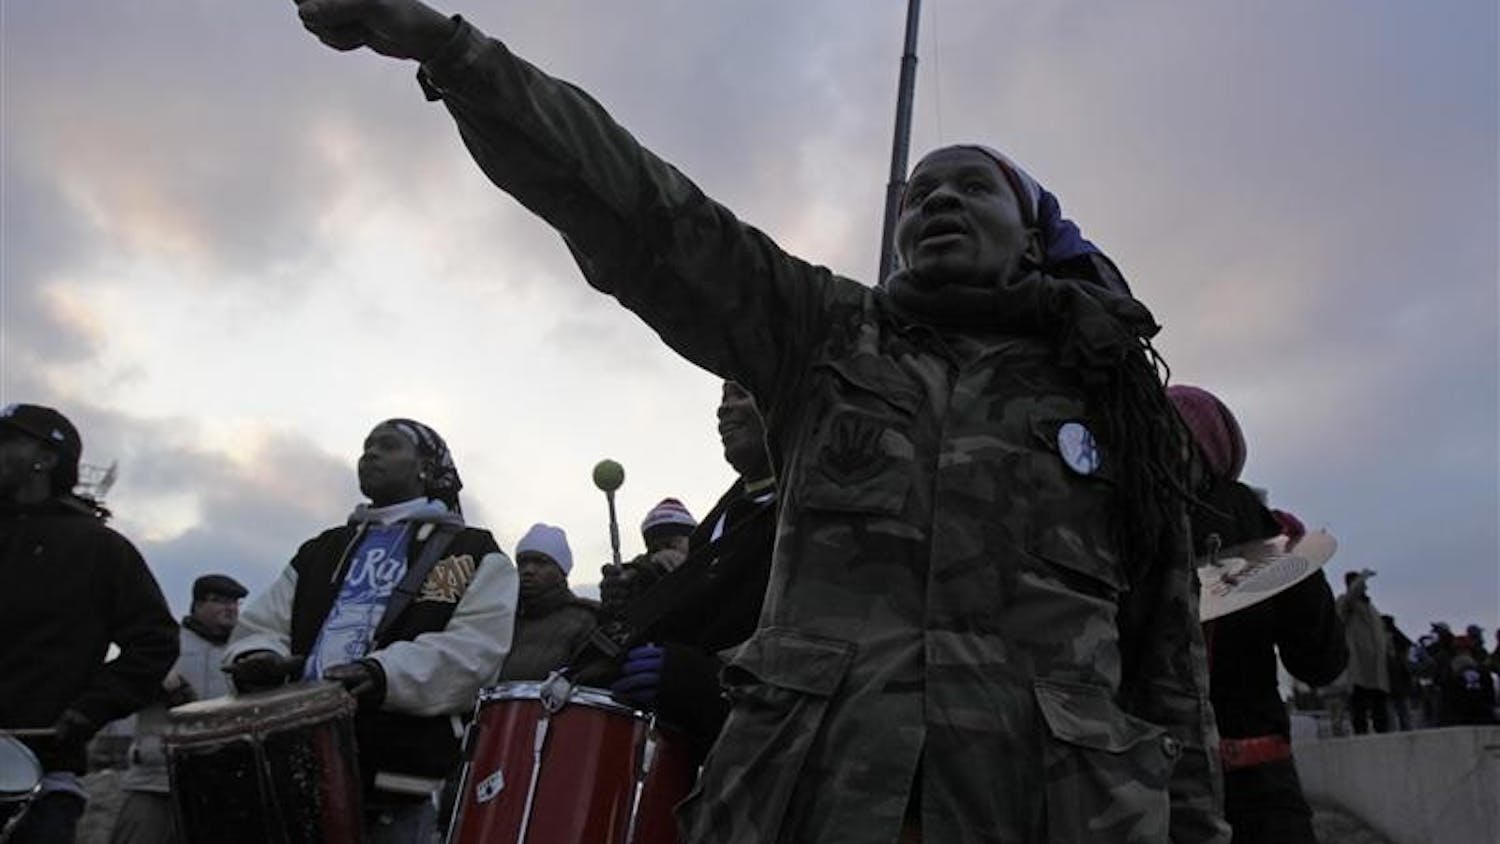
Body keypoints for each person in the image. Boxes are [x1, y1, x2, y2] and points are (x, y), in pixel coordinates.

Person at [291, 6, 1227, 841]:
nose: (939, 200)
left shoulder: (1114, 406)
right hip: (812, 802)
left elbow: (1166, 662)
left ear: (1032, 237)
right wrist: (450, 50)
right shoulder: (825, 338)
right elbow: (645, 211)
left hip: (1052, 811)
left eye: (974, 188)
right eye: (920, 194)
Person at [223, 418, 516, 843]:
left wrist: (381, 674)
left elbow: (475, 651)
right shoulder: (321, 550)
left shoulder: (472, 552)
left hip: (397, 782)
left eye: (388, 445)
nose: (370, 454)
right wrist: (255, 658)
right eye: (366, 446)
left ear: (427, 468)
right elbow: (263, 624)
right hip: (294, 771)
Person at [1167, 385, 1346, 844]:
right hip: (1259, 785)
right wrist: (1302, 567)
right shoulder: (1272, 538)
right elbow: (1319, 663)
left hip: (1150, 787)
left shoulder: (1119, 531)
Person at [0, 404, 178, 843]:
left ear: (45, 460)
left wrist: (87, 710)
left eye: (8, 440)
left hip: (34, 777)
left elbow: (154, 642)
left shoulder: (100, 549)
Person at [606, 381, 779, 756]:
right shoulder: (714, 528)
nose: (723, 409)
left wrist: (703, 684)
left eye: (740, 393)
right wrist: (636, 605)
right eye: (721, 398)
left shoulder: (807, 512)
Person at [112, 574, 248, 844]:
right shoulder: (164, 645)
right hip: (157, 779)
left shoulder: (245, 651)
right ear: (197, 605)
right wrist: (157, 685)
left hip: (221, 783)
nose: (230, 608)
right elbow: (125, 689)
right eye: (220, 601)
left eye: (234, 602)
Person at [496, 522, 598, 681]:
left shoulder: (586, 620)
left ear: (561, 571)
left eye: (541, 562)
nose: (528, 570)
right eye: (522, 563)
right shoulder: (501, 619)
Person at [1337, 569, 1392, 734]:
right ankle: (1361, 732)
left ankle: (1383, 730)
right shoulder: (1346, 603)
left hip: (1377, 664)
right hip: (1359, 663)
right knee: (1359, 701)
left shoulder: (1371, 608)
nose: (1364, 588)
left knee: (1379, 703)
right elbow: (1351, 596)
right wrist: (1362, 578)